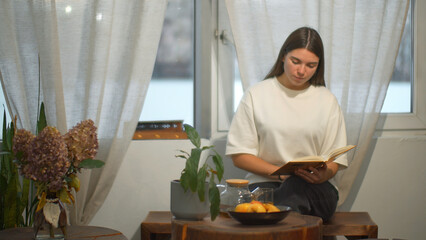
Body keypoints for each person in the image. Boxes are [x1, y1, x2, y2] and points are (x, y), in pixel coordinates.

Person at [225, 26, 348, 221]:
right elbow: (240, 156)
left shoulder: (326, 100)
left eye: (311, 65)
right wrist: (280, 175)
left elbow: (336, 160)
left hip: (316, 189)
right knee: (287, 192)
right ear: (283, 56)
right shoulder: (256, 95)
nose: (301, 71)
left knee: (294, 190)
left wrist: (323, 176)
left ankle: (276, 223)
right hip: (265, 185)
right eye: (295, 61)